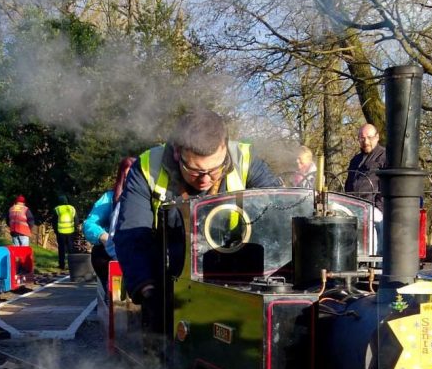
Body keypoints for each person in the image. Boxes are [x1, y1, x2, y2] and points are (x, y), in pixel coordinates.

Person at [114, 109, 281, 337]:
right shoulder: (146, 168)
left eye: (214, 170)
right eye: (194, 170)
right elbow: (132, 234)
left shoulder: (246, 160)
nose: (205, 179)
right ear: (176, 152)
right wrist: (146, 289)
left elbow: (278, 212)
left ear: (225, 147)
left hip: (234, 279)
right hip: (168, 281)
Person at [83, 156, 136, 294]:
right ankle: (110, 291)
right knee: (99, 254)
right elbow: (89, 224)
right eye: (126, 175)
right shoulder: (109, 198)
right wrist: (102, 236)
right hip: (113, 248)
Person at [345, 123, 387, 254]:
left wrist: (378, 206)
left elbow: (386, 186)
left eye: (369, 137)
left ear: (377, 137)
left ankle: (373, 260)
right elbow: (348, 185)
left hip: (373, 207)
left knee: (373, 219)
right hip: (354, 206)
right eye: (362, 138)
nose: (366, 141)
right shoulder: (355, 160)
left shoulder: (385, 157)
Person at [54, 194, 77, 270]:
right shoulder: (72, 208)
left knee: (61, 248)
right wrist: (75, 229)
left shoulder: (57, 209)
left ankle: (62, 265)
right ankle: (73, 265)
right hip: (70, 231)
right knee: (71, 248)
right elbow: (76, 220)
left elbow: (54, 221)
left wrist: (55, 231)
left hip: (60, 232)